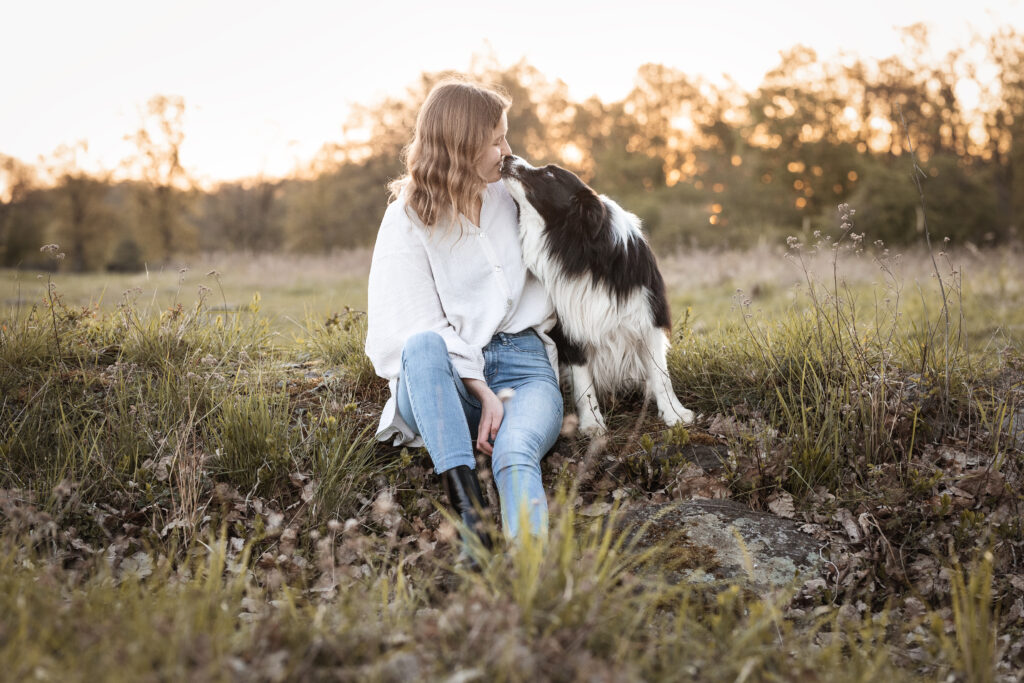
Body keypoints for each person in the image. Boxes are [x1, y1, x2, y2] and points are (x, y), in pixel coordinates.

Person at [364, 79, 563, 556]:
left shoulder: (514, 197)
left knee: (516, 454)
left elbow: (575, 245)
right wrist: (479, 389)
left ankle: (531, 570)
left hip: (525, 370)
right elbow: (409, 327)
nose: (507, 150)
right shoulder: (407, 218)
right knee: (421, 346)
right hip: (444, 382)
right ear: (463, 143)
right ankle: (470, 515)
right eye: (496, 140)